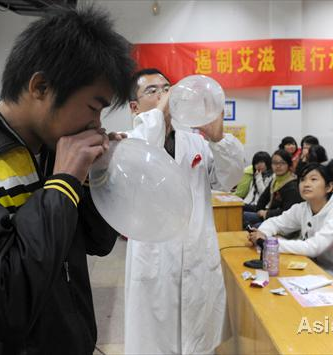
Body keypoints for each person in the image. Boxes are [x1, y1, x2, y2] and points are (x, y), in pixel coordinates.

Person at [0, 7, 135, 355]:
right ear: (41, 87)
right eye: (93, 108)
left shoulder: (51, 146)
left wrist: (100, 176)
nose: (96, 125)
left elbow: (97, 241)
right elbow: (5, 302)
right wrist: (63, 182)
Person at [124, 68, 245, 354]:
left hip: (197, 260)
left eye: (168, 88)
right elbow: (140, 163)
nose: (164, 95)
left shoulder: (196, 141)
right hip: (155, 267)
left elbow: (230, 180)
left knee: (198, 344)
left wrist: (218, 139)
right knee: (153, 345)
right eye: (153, 91)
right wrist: (159, 115)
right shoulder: (129, 140)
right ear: (134, 106)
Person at [248, 163, 333, 294]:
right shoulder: (304, 207)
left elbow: (314, 247)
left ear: (329, 187)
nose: (306, 184)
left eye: (313, 179)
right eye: (302, 180)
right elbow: (275, 222)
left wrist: (269, 243)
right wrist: (261, 234)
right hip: (322, 275)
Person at [243, 150, 302, 228]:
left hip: (283, 223)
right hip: (270, 217)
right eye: (275, 163)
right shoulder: (275, 179)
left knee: (256, 227)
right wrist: (259, 210)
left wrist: (266, 213)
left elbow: (287, 211)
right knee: (241, 216)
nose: (278, 166)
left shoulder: (292, 185)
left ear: (289, 165)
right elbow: (263, 198)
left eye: (282, 163)